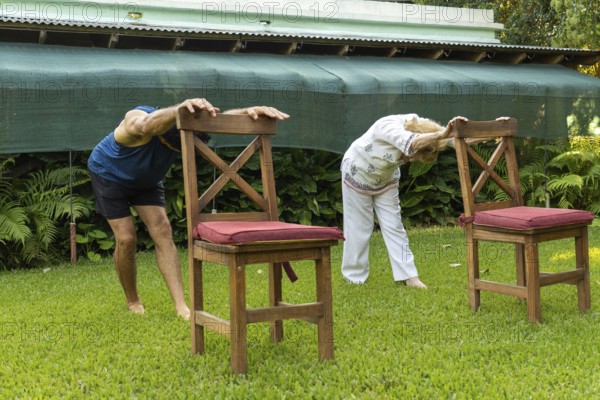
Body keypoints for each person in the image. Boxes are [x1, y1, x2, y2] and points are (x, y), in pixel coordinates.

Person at [88, 98, 289, 319]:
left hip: (146, 179)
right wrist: (177, 109)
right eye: (172, 148)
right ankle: (133, 300)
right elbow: (146, 125)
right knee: (126, 238)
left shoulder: (184, 121)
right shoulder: (136, 120)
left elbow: (214, 121)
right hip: (108, 174)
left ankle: (182, 307)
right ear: (165, 135)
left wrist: (247, 111)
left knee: (163, 230)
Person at [340, 113, 467, 288]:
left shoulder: (423, 126)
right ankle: (354, 277)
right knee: (359, 227)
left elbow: (456, 140)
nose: (412, 160)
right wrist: (443, 133)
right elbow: (414, 142)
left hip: (386, 178)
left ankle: (409, 277)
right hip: (358, 172)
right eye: (413, 157)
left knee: (395, 226)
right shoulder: (390, 127)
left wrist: (494, 133)